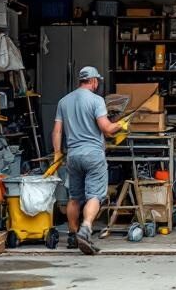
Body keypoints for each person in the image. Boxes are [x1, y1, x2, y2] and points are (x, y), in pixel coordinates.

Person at [52, 66, 126, 255]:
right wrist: (121, 124)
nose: (97, 84)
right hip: (93, 155)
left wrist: (57, 153)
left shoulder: (63, 101)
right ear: (93, 81)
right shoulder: (96, 100)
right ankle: (85, 227)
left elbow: (57, 131)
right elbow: (106, 128)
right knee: (94, 195)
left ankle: (72, 235)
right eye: (97, 81)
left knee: (74, 197)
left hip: (73, 156)